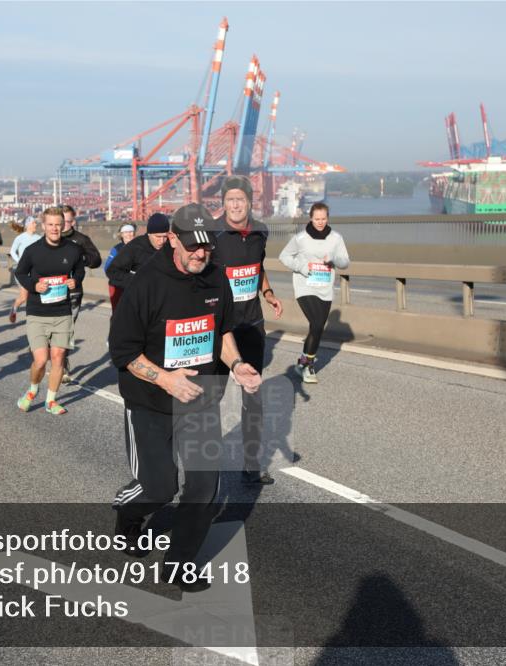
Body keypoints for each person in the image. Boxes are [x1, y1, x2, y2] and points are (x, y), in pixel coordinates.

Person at [109, 203, 262, 592]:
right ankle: (128, 514)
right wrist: (165, 379)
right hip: (150, 400)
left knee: (203, 491)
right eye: (193, 245)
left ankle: (178, 565)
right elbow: (123, 352)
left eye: (207, 246)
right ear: (173, 239)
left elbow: (222, 332)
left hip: (202, 398)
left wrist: (238, 363)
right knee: (160, 488)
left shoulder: (215, 278)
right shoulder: (146, 283)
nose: (200, 253)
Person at [211, 175, 283, 485]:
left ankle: (251, 462)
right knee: (210, 395)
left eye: (240, 199)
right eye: (230, 200)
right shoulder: (212, 233)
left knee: (253, 393)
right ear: (223, 203)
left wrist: (267, 293)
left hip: (251, 325)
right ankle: (204, 462)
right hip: (219, 328)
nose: (236, 204)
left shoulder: (261, 232)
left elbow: (257, 267)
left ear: (250, 202)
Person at [13, 206, 85, 415]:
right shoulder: (33, 250)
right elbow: (20, 273)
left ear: (63, 226)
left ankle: (51, 400)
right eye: (51, 225)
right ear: (44, 226)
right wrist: (33, 286)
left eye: (58, 225)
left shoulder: (72, 249)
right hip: (37, 313)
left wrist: (75, 280)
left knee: (59, 356)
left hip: (62, 311)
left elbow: (79, 270)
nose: (55, 229)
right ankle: (33, 389)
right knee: (41, 360)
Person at [279, 202, 350, 383]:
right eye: (317, 219)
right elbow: (284, 256)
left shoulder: (336, 238)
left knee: (316, 328)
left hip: (325, 288)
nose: (320, 222)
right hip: (305, 286)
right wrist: (302, 267)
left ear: (328, 218)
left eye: (323, 218)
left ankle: (303, 361)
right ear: (311, 218)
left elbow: (345, 262)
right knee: (318, 324)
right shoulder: (300, 238)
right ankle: (309, 366)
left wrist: (332, 259)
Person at [60, 205, 101, 381]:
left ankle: (61, 362)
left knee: (66, 329)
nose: (62, 225)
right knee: (52, 331)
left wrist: (81, 259)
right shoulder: (49, 238)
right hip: (51, 293)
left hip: (73, 292)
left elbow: (96, 260)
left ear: (73, 222)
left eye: (67, 222)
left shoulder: (81, 239)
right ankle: (57, 357)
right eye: (60, 221)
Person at [105, 213, 168, 310]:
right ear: (149, 233)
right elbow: (111, 270)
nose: (162, 241)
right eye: (158, 237)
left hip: (161, 300)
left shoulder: (170, 246)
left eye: (165, 237)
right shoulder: (134, 247)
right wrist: (137, 280)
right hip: (137, 299)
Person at [8, 215, 42, 323]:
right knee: (24, 297)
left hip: (35, 271)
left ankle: (32, 318)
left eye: (35, 223)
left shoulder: (39, 238)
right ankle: (14, 309)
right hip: (23, 271)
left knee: (35, 296)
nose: (35, 224)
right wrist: (20, 261)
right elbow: (12, 251)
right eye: (33, 223)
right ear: (28, 225)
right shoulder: (20, 238)